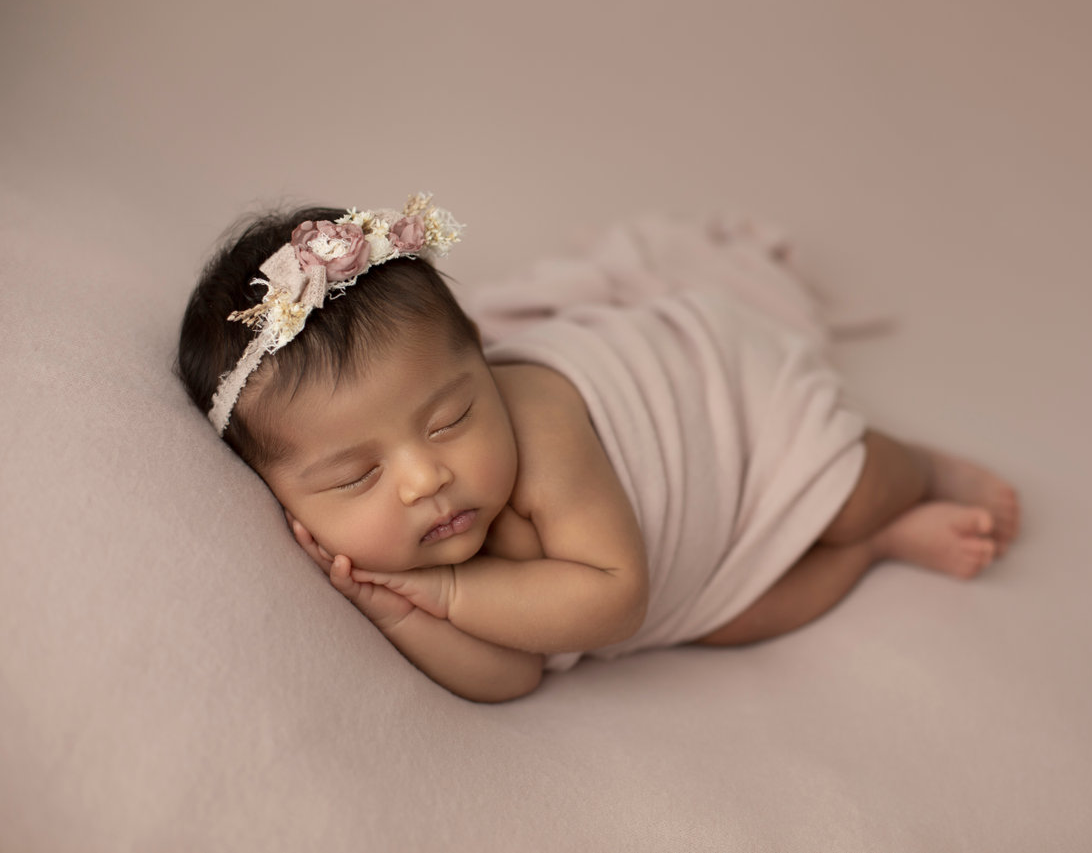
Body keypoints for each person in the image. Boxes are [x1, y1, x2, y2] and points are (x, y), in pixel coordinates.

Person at [176, 194, 1020, 703]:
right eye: (357, 473)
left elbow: (615, 600)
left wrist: (457, 590)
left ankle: (916, 466)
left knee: (857, 484)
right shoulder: (392, 554)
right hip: (684, 563)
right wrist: (401, 609)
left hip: (723, 405)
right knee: (737, 620)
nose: (426, 475)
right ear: (282, 494)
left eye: (450, 418)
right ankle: (875, 549)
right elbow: (515, 676)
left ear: (479, 352)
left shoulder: (538, 426)